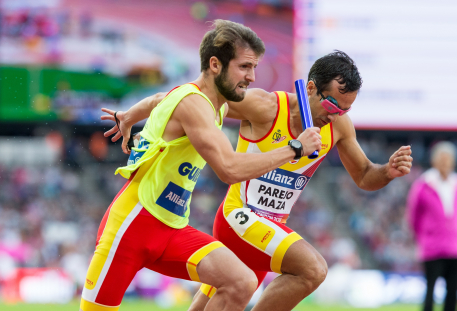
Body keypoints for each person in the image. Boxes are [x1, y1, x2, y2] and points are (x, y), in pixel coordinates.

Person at [106, 50, 413, 311]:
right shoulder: (265, 107)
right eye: (332, 105)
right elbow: (186, 99)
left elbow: (363, 176)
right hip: (238, 217)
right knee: (313, 270)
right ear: (310, 88)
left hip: (268, 228)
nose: (336, 116)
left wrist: (387, 171)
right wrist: (133, 114)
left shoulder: (340, 126)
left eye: (346, 110)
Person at [80, 20, 323, 311]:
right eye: (245, 67)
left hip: (171, 229)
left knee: (241, 282)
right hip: (131, 228)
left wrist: (130, 115)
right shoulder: (194, 105)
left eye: (255, 67)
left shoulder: (210, 102)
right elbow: (229, 169)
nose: (253, 77)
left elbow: (160, 98)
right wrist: (295, 148)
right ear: (215, 64)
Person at [407, 142, 457, 311]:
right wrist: (423, 236)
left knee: (452, 291)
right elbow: (413, 215)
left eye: (448, 160)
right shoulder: (423, 185)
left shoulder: (455, 184)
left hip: (454, 247)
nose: (444, 163)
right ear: (434, 161)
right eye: (441, 159)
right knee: (430, 289)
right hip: (432, 246)